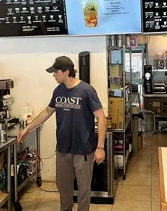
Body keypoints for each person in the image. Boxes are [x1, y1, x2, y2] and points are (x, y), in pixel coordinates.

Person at [17, 56, 106, 211]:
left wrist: (100, 148)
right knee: (63, 188)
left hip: (83, 150)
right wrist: (27, 128)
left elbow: (101, 118)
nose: (54, 75)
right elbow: (47, 112)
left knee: (84, 190)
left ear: (66, 71)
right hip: (63, 149)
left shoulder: (86, 91)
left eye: (56, 72)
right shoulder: (58, 91)